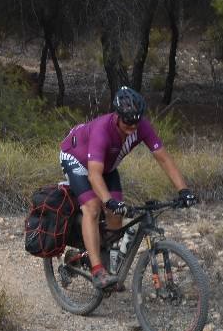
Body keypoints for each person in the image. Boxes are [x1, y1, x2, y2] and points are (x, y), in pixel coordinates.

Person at [59, 86, 196, 289]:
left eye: (136, 121)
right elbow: (94, 174)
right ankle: (97, 271)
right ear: (117, 116)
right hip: (76, 159)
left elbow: (164, 159)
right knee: (93, 207)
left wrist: (184, 190)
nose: (133, 126)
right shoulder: (102, 130)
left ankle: (93, 254)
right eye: (128, 122)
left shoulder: (141, 126)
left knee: (116, 218)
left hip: (107, 164)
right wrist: (108, 200)